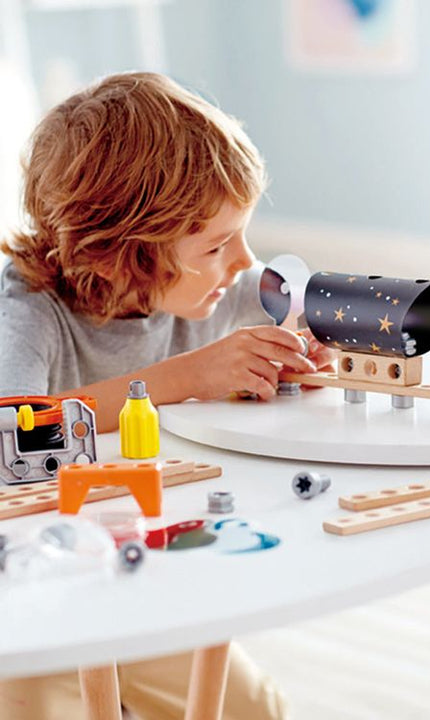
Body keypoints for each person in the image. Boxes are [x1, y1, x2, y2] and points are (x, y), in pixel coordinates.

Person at [0, 71, 332, 720]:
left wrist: (307, 345)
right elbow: (11, 431)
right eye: (217, 244)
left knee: (255, 710)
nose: (243, 261)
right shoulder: (30, 311)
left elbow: (300, 295)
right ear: (123, 252)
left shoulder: (211, 285)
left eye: (242, 234)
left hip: (137, 571)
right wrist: (181, 380)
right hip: (30, 593)